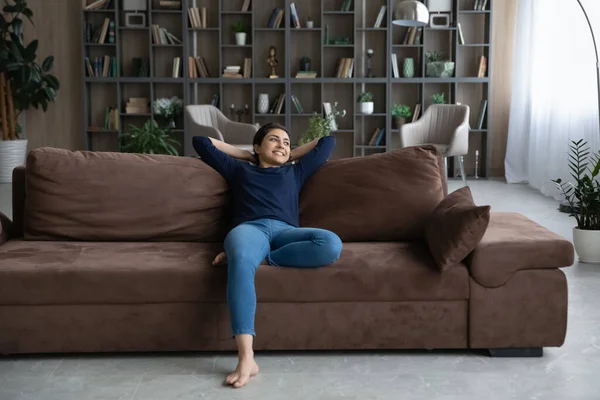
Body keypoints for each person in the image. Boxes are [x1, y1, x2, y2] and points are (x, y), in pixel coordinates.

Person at [192, 123, 343, 389]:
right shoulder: (239, 169)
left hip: (286, 232)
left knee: (330, 243)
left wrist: (289, 154)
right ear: (258, 147)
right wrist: (248, 156)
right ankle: (246, 356)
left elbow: (327, 142)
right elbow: (201, 142)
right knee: (240, 262)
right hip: (249, 229)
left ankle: (262, 257)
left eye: (286, 142)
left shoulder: (295, 172)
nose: (282, 145)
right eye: (274, 140)